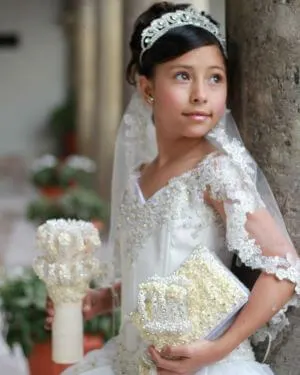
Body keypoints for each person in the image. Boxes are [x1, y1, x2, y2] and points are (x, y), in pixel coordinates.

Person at [46, 2, 300, 374]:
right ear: (147, 88)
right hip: (127, 361)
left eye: (215, 77)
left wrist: (217, 348)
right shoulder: (138, 176)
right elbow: (152, 274)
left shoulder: (215, 172)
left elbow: (285, 268)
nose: (201, 94)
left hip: (202, 364)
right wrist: (104, 299)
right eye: (183, 76)